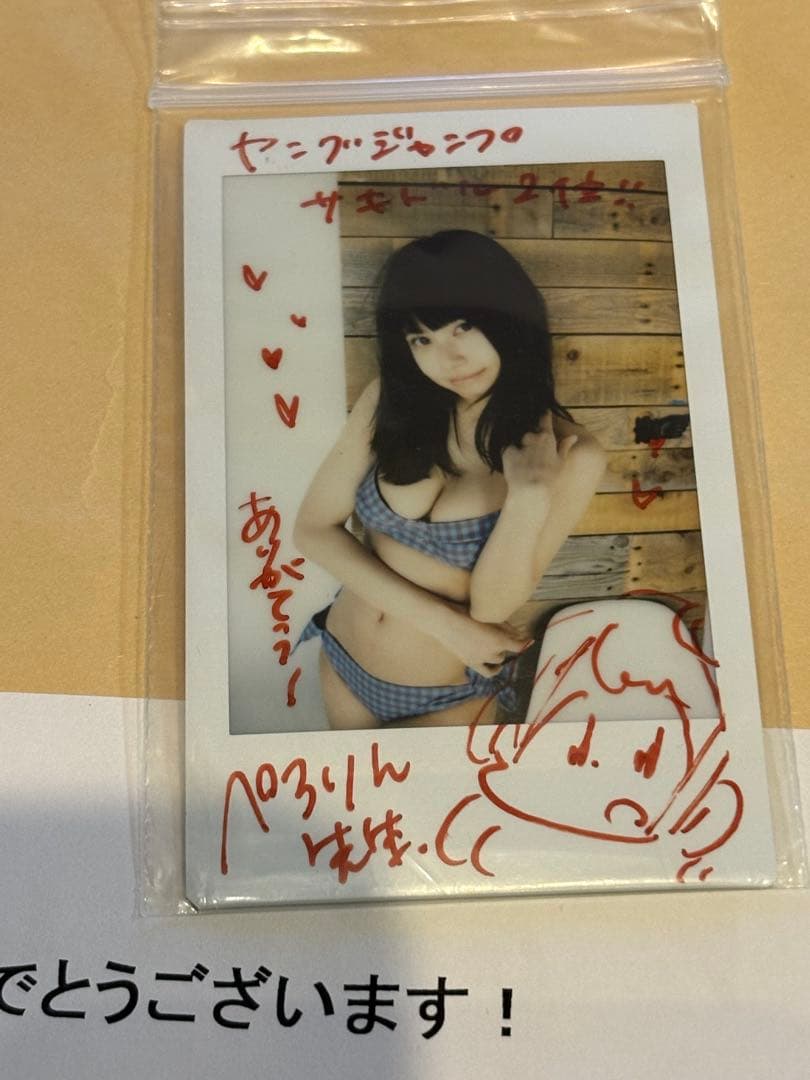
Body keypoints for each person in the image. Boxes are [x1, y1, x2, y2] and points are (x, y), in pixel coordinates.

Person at [294, 230, 605, 729]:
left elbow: (492, 606)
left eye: (463, 327)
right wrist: (449, 627)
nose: (449, 358)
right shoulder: (390, 401)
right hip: (342, 660)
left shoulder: (573, 455)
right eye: (422, 339)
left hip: (447, 698)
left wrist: (528, 497)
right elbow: (312, 529)